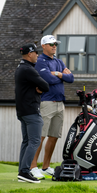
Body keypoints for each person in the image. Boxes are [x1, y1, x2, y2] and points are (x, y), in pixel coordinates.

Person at [31, 34, 73, 178]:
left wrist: (58, 74)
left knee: (54, 136)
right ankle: (33, 166)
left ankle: (45, 166)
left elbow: (71, 78)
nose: (54, 46)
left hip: (60, 103)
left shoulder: (59, 62)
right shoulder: (40, 61)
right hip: (46, 102)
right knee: (40, 136)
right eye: (51, 44)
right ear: (43, 46)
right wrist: (62, 76)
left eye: (55, 44)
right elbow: (47, 79)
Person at [15, 43, 50, 183]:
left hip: (22, 110)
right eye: (36, 53)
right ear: (29, 54)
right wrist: (40, 87)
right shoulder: (29, 69)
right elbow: (46, 86)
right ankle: (24, 171)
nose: (37, 55)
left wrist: (38, 87)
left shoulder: (20, 68)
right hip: (31, 110)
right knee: (35, 141)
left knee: (26, 141)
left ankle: (21, 172)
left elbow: (40, 86)